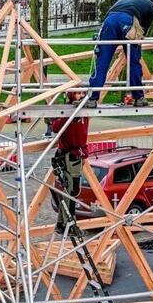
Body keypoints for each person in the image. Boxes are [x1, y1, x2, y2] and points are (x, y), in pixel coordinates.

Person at [87, 0, 153, 108]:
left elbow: (110, 13)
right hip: (128, 20)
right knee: (134, 62)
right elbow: (142, 31)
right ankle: (138, 97)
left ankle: (92, 98)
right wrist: (136, 45)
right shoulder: (150, 6)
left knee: (102, 61)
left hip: (110, 20)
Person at [48, 91, 90, 235]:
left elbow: (83, 133)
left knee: (72, 191)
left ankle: (63, 223)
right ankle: (68, 224)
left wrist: (84, 151)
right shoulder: (68, 111)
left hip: (77, 154)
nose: (81, 96)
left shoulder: (85, 111)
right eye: (78, 93)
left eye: (83, 93)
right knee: (71, 192)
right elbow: (55, 127)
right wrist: (70, 116)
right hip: (68, 155)